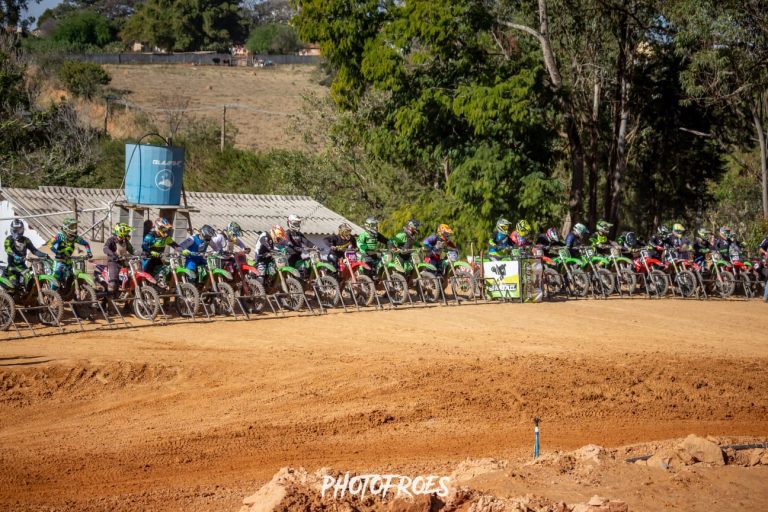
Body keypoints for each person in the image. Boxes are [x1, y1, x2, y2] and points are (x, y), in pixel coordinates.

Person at [48, 218, 93, 291]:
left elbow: (86, 243)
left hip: (69, 260)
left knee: (72, 275)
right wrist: (57, 252)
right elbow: (49, 244)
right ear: (66, 227)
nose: (74, 228)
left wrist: (89, 252)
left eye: (75, 226)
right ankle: (51, 293)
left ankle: (69, 291)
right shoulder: (60, 236)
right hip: (59, 260)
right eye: (72, 226)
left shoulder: (75, 237)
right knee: (57, 275)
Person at [4, 218, 48, 289]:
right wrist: (15, 256)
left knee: (29, 280)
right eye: (17, 230)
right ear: (13, 230)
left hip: (22, 266)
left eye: (20, 229)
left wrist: (45, 255)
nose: (19, 232)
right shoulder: (9, 239)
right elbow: (7, 249)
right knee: (14, 286)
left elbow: (34, 250)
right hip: (12, 267)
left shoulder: (26, 240)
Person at [102, 223, 135, 298]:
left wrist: (140, 254)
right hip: (113, 263)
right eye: (126, 232)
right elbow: (105, 248)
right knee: (113, 283)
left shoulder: (125, 240)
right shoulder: (111, 240)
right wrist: (113, 254)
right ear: (120, 232)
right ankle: (109, 299)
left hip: (124, 263)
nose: (128, 234)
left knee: (130, 280)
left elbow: (132, 250)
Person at [759, 233, 768, 302]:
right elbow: (760, 249)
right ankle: (765, 296)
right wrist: (765, 253)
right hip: (765, 259)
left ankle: (765, 296)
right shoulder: (766, 240)